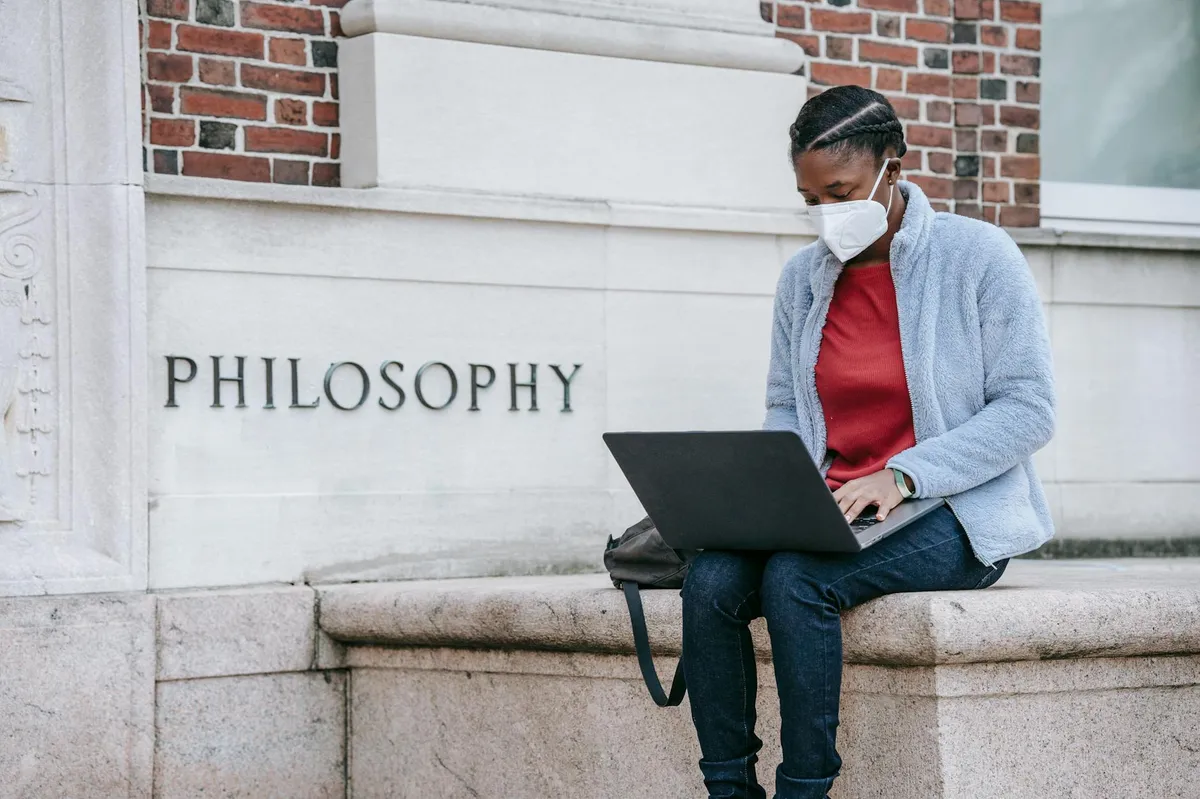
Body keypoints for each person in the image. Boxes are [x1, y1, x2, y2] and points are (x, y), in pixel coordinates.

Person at [679, 85, 1056, 799]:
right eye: (811, 198)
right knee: (711, 581)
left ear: (894, 163)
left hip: (953, 511)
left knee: (797, 577)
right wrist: (775, 486)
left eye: (841, 192)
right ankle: (727, 788)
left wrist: (905, 475)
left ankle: (805, 787)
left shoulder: (978, 257)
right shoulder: (803, 279)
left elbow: (1029, 408)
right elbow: (787, 404)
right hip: (831, 505)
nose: (827, 214)